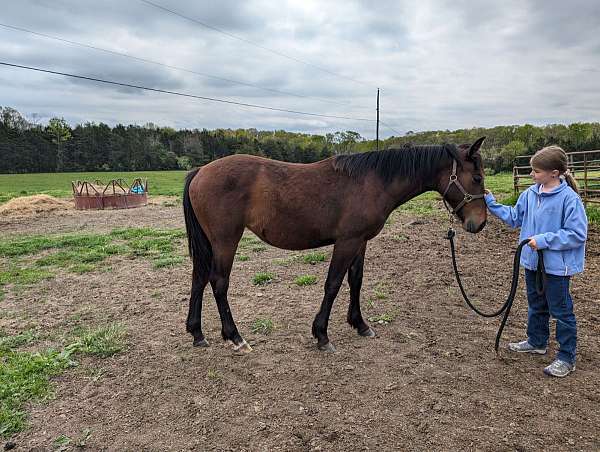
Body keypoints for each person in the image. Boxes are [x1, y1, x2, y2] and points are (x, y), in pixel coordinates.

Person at [484, 145, 588, 377]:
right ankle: (537, 341)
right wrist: (491, 203)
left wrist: (543, 240)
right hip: (532, 262)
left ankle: (566, 357)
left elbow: (577, 234)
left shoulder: (569, 200)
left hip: (556, 267)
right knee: (536, 304)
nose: (532, 175)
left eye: (537, 171)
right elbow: (514, 218)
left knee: (561, 311)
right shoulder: (530, 194)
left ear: (554, 173)